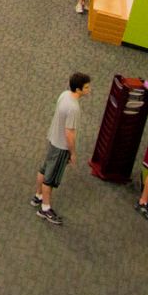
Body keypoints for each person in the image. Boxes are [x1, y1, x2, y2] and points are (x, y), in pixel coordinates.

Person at [31, 72, 92, 225]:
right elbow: (69, 134)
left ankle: (37, 196)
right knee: (50, 179)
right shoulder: (74, 108)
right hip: (61, 146)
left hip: (53, 139)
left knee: (44, 169)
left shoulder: (64, 94)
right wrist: (72, 153)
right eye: (86, 87)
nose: (89, 89)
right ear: (78, 89)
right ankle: (45, 209)